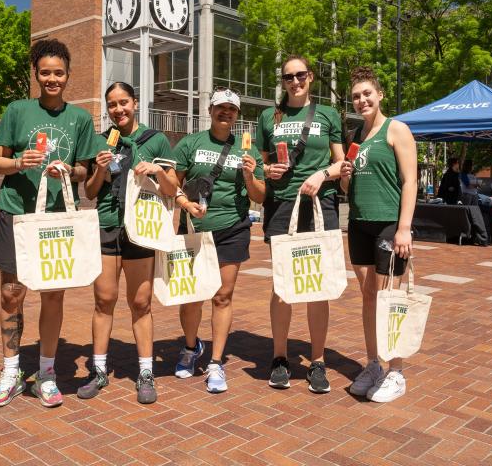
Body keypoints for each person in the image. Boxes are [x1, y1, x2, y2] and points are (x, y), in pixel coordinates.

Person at [0, 39, 97, 408]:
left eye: (59, 72)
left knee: (53, 294)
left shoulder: (80, 118)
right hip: (16, 213)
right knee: (11, 294)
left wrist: (70, 169)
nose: (53, 79)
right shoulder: (17, 110)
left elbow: (86, 168)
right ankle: (12, 369)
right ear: (35, 74)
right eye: (46, 72)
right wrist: (22, 162)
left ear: (68, 75)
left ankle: (47, 372)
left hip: (57, 219)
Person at [77, 82, 177, 404]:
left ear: (135, 103)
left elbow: (173, 188)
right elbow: (91, 193)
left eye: (124, 103)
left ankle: (145, 372)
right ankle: (100, 370)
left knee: (140, 303)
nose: (118, 110)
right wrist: (100, 169)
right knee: (103, 300)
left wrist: (157, 170)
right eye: (112, 105)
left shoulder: (156, 139)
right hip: (107, 226)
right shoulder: (102, 141)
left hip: (140, 229)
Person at [256, 55, 345, 393]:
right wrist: (267, 171)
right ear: (282, 82)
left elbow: (341, 163)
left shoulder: (328, 114)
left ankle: (317, 360)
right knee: (282, 285)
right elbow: (261, 164)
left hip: (319, 205)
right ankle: (280, 358)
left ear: (311, 77)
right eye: (288, 77)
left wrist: (321, 175)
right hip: (282, 206)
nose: (295, 81)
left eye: (301, 75)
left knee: (316, 284)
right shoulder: (269, 117)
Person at [171, 89, 266, 393]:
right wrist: (184, 204)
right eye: (220, 108)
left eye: (232, 109)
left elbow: (260, 196)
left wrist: (250, 176)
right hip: (195, 229)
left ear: (237, 115)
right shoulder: (191, 142)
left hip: (232, 228)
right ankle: (190, 347)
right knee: (191, 295)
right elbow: (174, 180)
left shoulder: (245, 149)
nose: (226, 113)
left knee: (222, 295)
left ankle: (215, 362)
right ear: (210, 111)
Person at [339, 67, 417, 403]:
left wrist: (403, 228)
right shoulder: (356, 138)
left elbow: (410, 182)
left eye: (367, 93)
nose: (361, 100)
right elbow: (348, 186)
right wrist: (344, 175)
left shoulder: (396, 129)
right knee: (369, 297)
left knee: (389, 300)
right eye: (356, 96)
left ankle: (396, 370)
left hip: (388, 225)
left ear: (380, 94)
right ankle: (373, 364)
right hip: (358, 223)